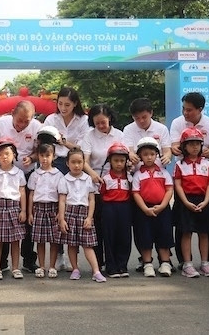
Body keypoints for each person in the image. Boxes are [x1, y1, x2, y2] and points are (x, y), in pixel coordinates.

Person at [169, 92, 209, 269]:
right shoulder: (177, 123)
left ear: (200, 109)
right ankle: (185, 261)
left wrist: (205, 153)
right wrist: (180, 149)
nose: (185, 113)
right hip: (184, 178)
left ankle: (208, 260)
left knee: (207, 225)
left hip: (203, 176)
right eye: (183, 108)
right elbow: (174, 146)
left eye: (189, 110)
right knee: (183, 226)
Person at [0, 100, 42, 272]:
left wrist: (33, 158)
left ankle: (28, 260)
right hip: (5, 175)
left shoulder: (37, 127)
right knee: (4, 218)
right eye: (19, 120)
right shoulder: (0, 124)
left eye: (26, 121)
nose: (22, 125)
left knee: (28, 216)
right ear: (13, 113)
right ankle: (2, 263)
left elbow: (41, 150)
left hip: (27, 175)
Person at [78, 103, 124, 272]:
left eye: (103, 122)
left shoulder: (119, 134)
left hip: (115, 185)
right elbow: (84, 160)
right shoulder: (89, 136)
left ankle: (115, 261)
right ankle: (99, 263)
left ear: (110, 118)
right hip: (95, 184)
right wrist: (92, 175)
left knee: (112, 225)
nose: (100, 126)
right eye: (97, 123)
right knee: (96, 224)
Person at [56, 147, 105, 282]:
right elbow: (62, 201)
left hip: (84, 213)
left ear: (84, 163)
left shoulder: (88, 179)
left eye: (79, 162)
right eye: (73, 162)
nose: (76, 165)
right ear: (67, 163)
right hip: (70, 213)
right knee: (72, 244)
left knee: (88, 244)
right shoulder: (64, 180)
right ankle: (75, 269)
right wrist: (62, 218)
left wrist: (90, 217)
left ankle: (96, 271)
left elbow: (91, 200)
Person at [172, 128, 209, 278]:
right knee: (186, 232)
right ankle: (187, 264)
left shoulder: (207, 163)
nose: (195, 147)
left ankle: (205, 263)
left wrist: (206, 201)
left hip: (203, 201)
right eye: (191, 144)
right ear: (184, 147)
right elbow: (178, 185)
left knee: (204, 233)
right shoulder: (180, 165)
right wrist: (185, 202)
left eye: (198, 143)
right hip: (186, 201)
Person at [131, 137, 174, 278]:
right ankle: (147, 263)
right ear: (140, 157)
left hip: (162, 208)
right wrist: (144, 208)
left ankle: (165, 263)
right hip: (144, 210)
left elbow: (169, 189)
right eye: (145, 154)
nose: (149, 157)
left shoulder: (163, 172)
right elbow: (136, 193)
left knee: (164, 235)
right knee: (145, 236)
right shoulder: (138, 174)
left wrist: (162, 205)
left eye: (152, 154)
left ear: (157, 155)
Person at [0, 138, 27, 280]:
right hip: (0, 208)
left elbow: (22, 192)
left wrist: (23, 210)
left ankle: (16, 267)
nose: (4, 157)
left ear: (14, 155)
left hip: (14, 207)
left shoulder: (19, 173)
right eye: (1, 154)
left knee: (16, 241)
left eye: (7, 154)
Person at [97, 142, 133, 279]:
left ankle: (122, 265)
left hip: (124, 208)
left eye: (122, 161)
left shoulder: (129, 178)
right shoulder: (105, 178)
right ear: (109, 161)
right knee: (109, 236)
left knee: (124, 237)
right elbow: (102, 194)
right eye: (116, 160)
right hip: (109, 209)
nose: (119, 164)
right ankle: (111, 266)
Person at [27, 142, 63, 279]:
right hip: (39, 209)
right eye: (42, 156)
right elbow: (31, 194)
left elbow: (61, 195)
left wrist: (61, 212)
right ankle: (41, 266)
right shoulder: (35, 174)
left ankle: (52, 266)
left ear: (53, 157)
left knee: (54, 240)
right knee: (40, 240)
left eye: (48, 155)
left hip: (53, 208)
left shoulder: (58, 175)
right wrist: (30, 212)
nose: (44, 159)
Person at [43, 87, 90, 174]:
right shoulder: (51, 119)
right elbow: (44, 144)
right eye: (60, 104)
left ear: (75, 103)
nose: (63, 108)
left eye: (67, 105)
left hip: (76, 162)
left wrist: (64, 142)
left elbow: (82, 148)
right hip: (54, 161)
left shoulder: (83, 120)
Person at [123, 98, 172, 167]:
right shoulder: (128, 129)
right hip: (137, 171)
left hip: (158, 171)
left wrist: (167, 157)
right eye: (137, 118)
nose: (141, 121)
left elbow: (167, 150)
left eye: (144, 117)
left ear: (151, 113)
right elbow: (129, 151)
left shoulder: (162, 128)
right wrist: (131, 155)